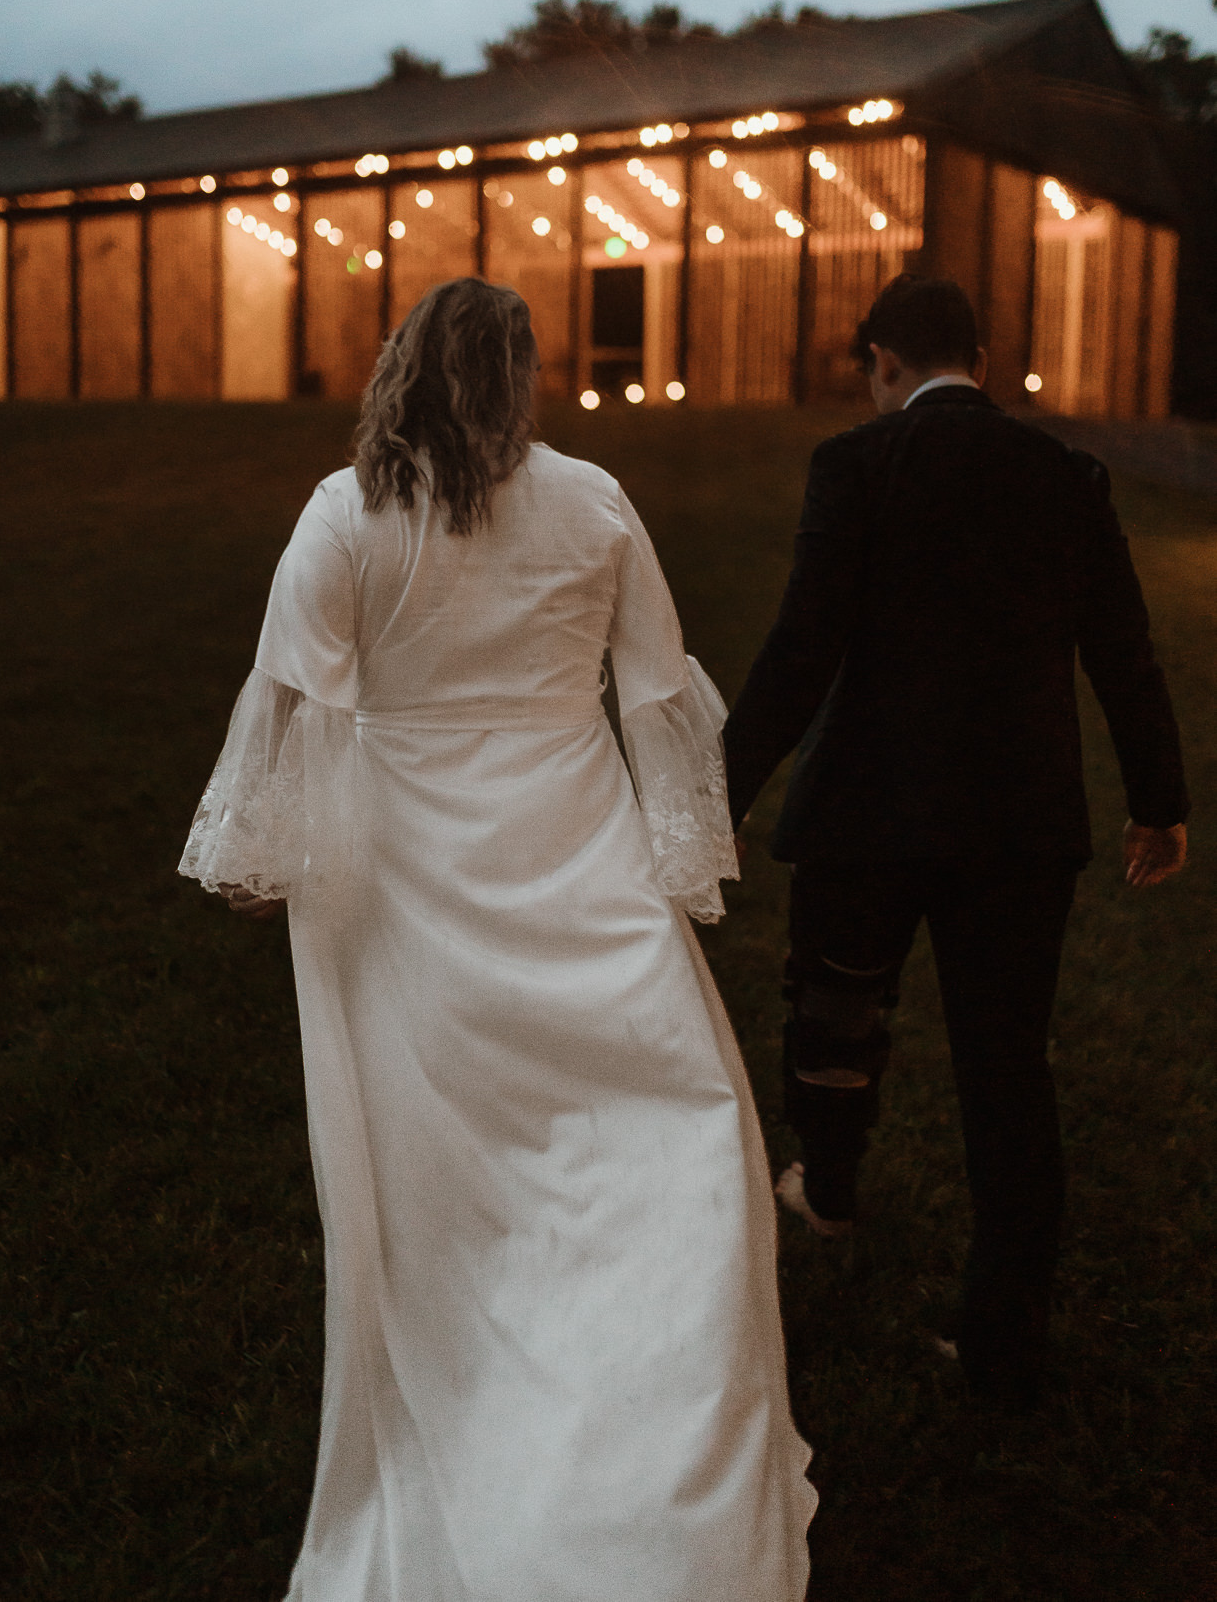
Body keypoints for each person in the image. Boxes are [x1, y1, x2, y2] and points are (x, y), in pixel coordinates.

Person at [180, 278, 816, 1600]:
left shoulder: (345, 510)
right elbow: (655, 690)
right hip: (573, 854)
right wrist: (682, 852)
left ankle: (483, 1391)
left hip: (406, 878)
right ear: (522, 374)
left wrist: (263, 853)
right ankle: (655, 1443)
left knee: (441, 1170)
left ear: (401, 366)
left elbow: (293, 697)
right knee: (664, 1119)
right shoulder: (591, 501)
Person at [722, 272, 1188, 1409]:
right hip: (1018, 825)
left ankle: (829, 1185)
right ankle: (1003, 1343)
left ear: (882, 361)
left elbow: (801, 648)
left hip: (865, 813)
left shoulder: (854, 464)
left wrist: (716, 793)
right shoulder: (1067, 476)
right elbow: (1122, 649)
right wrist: (1158, 799)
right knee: (1006, 1070)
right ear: (978, 361)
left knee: (832, 1014)